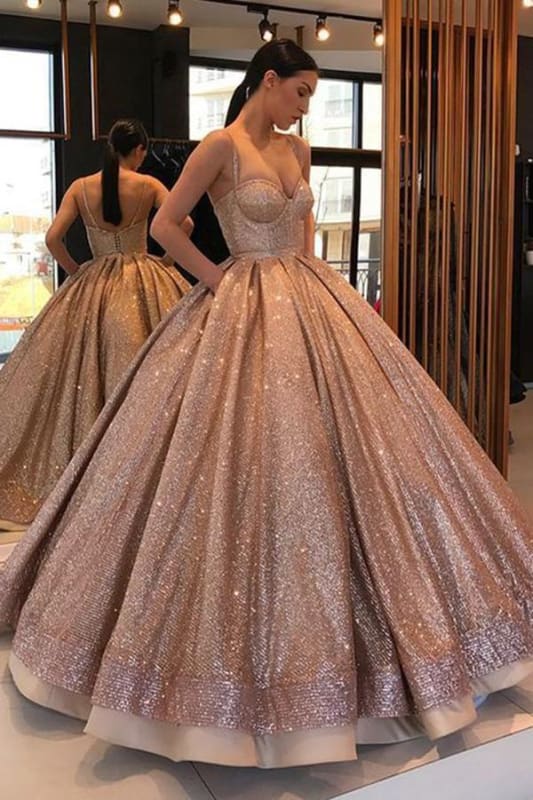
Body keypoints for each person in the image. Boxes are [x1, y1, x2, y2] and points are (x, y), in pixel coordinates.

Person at [0, 41, 531, 769]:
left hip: (313, 300)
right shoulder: (221, 146)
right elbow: (166, 227)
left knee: (370, 449)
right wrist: (221, 281)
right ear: (269, 80)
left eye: (313, 95)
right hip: (240, 298)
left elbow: (305, 240)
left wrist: (324, 296)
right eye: (301, 91)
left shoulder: (297, 150)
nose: (305, 107)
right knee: (225, 451)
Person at [0, 119, 191, 529]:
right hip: (143, 281)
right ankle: (139, 478)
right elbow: (185, 224)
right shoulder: (149, 185)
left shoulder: (80, 187)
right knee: (150, 378)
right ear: (138, 150)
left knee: (87, 381)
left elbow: (52, 238)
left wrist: (76, 271)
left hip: (95, 284)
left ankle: (90, 478)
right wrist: (166, 262)